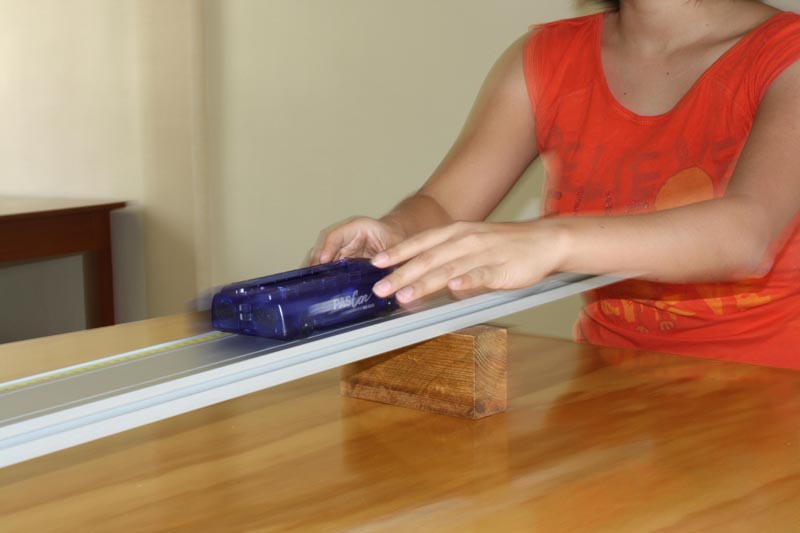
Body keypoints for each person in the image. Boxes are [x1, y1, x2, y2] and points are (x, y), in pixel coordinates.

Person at [309, 0, 800, 369]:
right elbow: (441, 203)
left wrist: (551, 242)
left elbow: (747, 235)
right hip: (608, 397)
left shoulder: (787, 53)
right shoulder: (546, 56)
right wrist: (397, 233)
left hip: (772, 401)